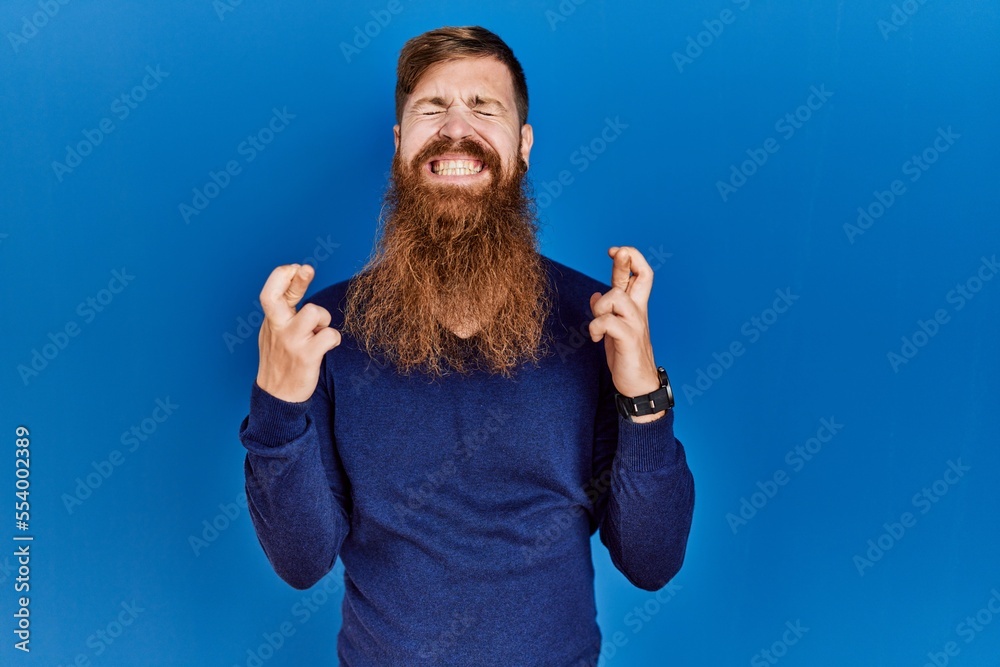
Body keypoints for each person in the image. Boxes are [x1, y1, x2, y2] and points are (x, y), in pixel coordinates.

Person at [239, 25, 694, 666]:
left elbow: (652, 560)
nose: (457, 128)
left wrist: (643, 392)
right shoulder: (323, 333)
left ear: (523, 144)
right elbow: (301, 561)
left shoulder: (598, 323)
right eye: (432, 108)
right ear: (400, 145)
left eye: (485, 108)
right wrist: (276, 404)